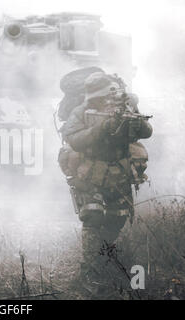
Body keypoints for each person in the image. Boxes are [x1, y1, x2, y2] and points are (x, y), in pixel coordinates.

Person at [59, 71, 153, 292]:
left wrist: (133, 122)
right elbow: (74, 139)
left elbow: (147, 131)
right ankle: (89, 271)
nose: (106, 101)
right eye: (101, 97)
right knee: (92, 216)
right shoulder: (81, 111)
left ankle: (104, 258)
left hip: (119, 171)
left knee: (116, 218)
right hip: (90, 171)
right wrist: (102, 127)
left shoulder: (127, 106)